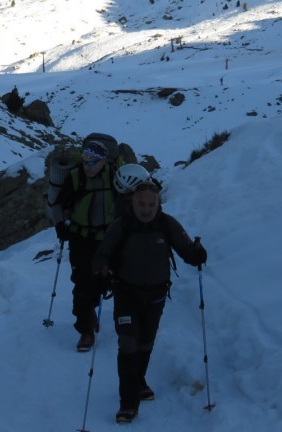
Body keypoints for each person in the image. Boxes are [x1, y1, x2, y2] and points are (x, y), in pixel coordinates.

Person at [92, 174, 207, 424]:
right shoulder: (120, 226)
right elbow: (101, 256)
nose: (146, 209)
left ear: (158, 204)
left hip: (155, 297)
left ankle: (139, 380)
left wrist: (197, 255)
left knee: (145, 344)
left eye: (151, 205)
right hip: (126, 295)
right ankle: (128, 402)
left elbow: (187, 250)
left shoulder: (167, 224)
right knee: (128, 344)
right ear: (133, 203)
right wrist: (100, 275)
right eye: (142, 204)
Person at [47, 133, 122, 352]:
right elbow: (58, 204)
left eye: (93, 161)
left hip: (107, 237)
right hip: (80, 237)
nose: (88, 165)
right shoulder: (75, 177)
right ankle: (86, 330)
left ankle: (93, 312)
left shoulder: (114, 176)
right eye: (85, 159)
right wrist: (60, 225)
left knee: (105, 281)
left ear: (103, 161)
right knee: (82, 283)